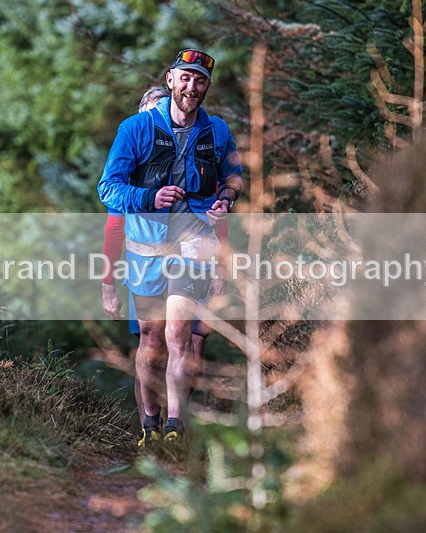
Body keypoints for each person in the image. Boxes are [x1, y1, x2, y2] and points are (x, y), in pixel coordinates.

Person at [98, 49, 243, 447]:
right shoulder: (135, 129)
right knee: (150, 338)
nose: (191, 88)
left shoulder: (218, 133)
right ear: (170, 80)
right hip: (146, 251)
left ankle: (175, 426)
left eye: (199, 81)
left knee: (180, 334)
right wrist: (149, 197)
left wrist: (225, 201)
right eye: (185, 79)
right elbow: (108, 188)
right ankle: (149, 423)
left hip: (194, 246)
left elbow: (234, 177)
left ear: (206, 87)